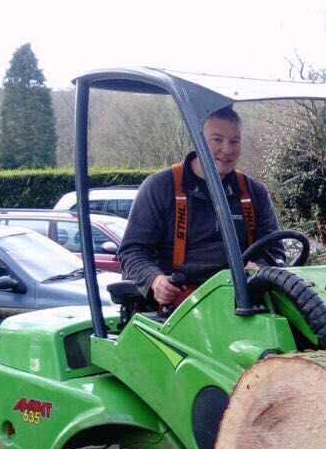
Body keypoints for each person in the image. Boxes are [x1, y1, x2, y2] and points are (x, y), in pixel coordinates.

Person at [117, 106, 279, 307]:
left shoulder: (254, 192)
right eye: (217, 140)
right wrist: (155, 279)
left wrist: (261, 268)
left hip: (244, 298)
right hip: (180, 307)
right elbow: (132, 251)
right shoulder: (161, 187)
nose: (227, 150)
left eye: (234, 141)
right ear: (198, 140)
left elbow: (274, 250)